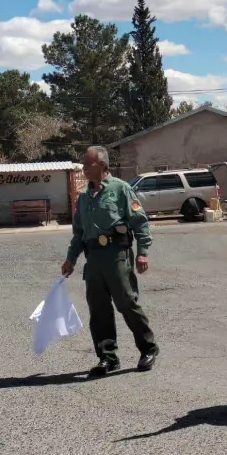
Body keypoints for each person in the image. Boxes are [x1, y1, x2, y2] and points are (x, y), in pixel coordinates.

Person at [61, 146, 159, 376]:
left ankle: (148, 348)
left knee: (127, 303)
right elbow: (78, 233)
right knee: (99, 309)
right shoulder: (84, 198)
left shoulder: (121, 189)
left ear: (102, 166)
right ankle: (107, 357)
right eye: (83, 164)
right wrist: (70, 259)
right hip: (93, 259)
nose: (84, 168)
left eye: (88, 164)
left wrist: (143, 252)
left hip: (117, 255)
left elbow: (140, 223)